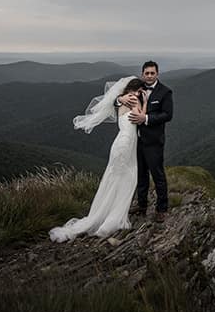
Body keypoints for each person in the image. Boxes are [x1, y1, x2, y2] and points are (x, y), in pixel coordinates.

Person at [48, 77, 146, 242]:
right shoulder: (134, 99)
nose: (140, 93)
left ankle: (105, 213)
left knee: (115, 179)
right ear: (135, 90)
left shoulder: (121, 100)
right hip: (125, 144)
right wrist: (145, 102)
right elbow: (139, 117)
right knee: (125, 179)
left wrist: (121, 99)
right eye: (140, 90)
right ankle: (111, 220)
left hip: (121, 143)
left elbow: (120, 108)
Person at [119, 61, 174, 222]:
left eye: (152, 73)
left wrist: (146, 118)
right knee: (141, 174)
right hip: (136, 140)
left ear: (157, 73)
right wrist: (121, 99)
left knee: (157, 175)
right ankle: (142, 205)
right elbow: (117, 97)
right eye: (147, 73)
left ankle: (161, 209)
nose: (149, 76)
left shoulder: (165, 92)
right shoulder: (137, 86)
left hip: (154, 141)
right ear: (143, 73)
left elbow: (167, 115)